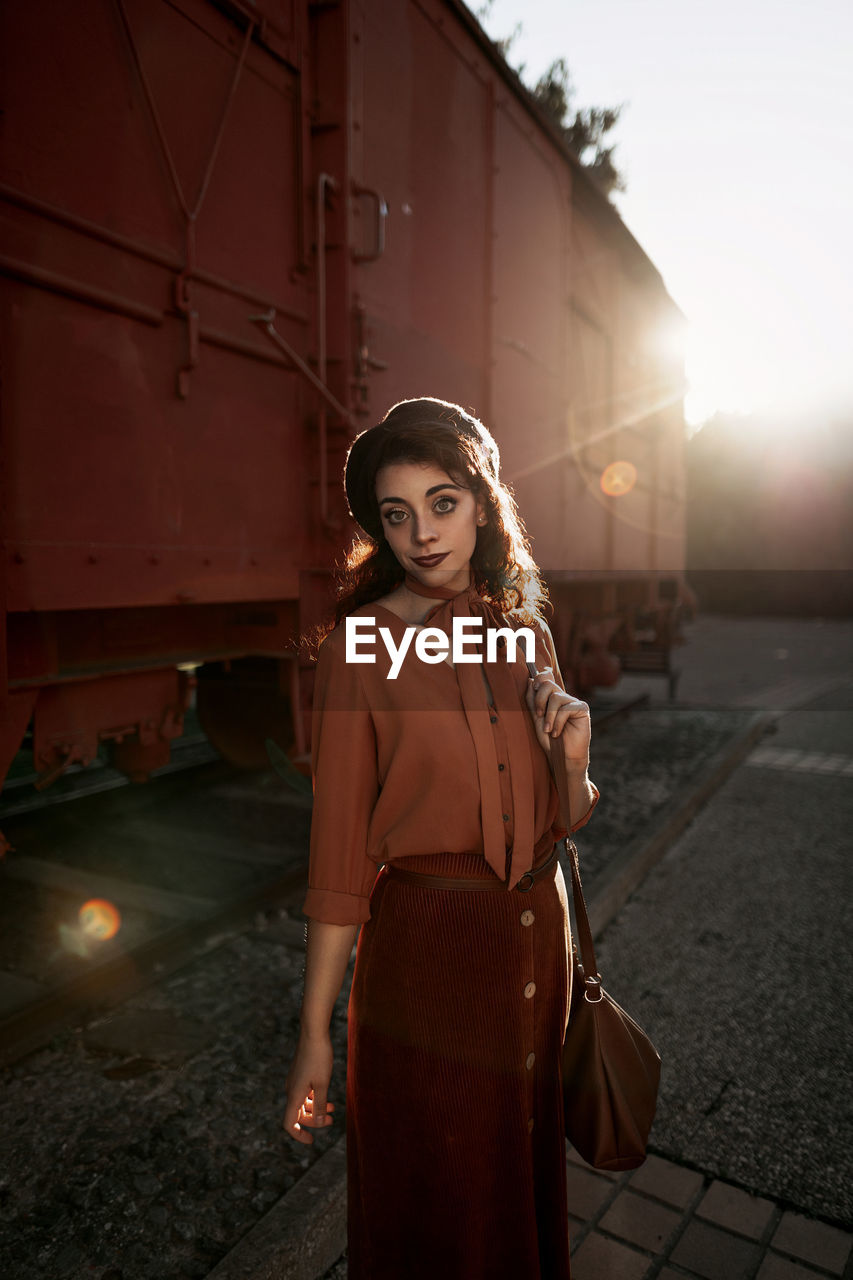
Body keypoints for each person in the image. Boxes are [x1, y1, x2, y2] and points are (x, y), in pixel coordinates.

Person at [283, 397, 599, 1279]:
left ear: (483, 502)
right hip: (429, 960)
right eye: (397, 513)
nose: (421, 533)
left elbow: (562, 819)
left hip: (536, 950)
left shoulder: (523, 632)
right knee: (437, 1199)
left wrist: (572, 760)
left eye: (443, 503)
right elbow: (340, 854)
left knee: (514, 1188)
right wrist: (316, 1032)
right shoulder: (361, 646)